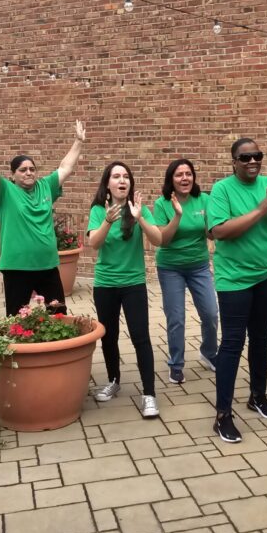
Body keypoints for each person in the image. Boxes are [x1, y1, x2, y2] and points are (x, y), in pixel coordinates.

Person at [208, 138, 267, 443]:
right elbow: (220, 231)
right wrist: (260, 210)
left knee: (261, 338)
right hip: (234, 280)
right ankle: (223, 415)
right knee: (232, 344)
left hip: (265, 275)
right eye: (245, 157)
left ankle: (258, 396)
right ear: (234, 161)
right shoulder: (222, 190)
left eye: (257, 156)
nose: (252, 161)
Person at [0, 113, 84, 316]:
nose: (29, 172)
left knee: (58, 315)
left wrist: (78, 141)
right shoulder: (5, 191)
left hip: (47, 265)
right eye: (22, 170)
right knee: (17, 318)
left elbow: (65, 167)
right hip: (17, 267)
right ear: (13, 175)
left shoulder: (45, 186)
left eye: (32, 169)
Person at [87, 162, 163, 418]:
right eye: (116, 176)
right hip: (105, 284)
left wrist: (140, 218)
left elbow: (158, 240)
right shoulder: (98, 210)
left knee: (141, 337)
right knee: (109, 336)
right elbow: (94, 243)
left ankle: (149, 394)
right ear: (107, 184)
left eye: (126, 177)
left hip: (133, 284)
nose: (122, 181)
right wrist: (107, 221)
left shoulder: (139, 209)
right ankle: (113, 380)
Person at [153, 159, 219, 385]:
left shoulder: (204, 200)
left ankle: (209, 353)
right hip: (170, 267)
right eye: (179, 174)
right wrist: (178, 216)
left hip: (199, 266)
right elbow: (162, 240)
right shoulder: (162, 204)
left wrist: (218, 225)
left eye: (188, 174)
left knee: (211, 313)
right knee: (176, 318)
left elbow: (211, 233)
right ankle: (176, 364)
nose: (184, 178)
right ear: (171, 179)